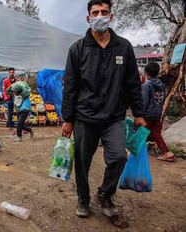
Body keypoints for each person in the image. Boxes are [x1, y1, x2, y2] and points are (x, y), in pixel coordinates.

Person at [61, 0, 146, 219]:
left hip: (113, 117)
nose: (100, 16)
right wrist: (68, 119)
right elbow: (70, 87)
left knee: (118, 157)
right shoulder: (77, 50)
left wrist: (139, 113)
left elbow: (133, 84)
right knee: (82, 162)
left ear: (111, 15)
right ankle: (83, 198)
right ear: (88, 18)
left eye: (104, 12)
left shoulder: (124, 47)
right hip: (84, 118)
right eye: (95, 12)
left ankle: (106, 195)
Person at [142, 62, 176, 162]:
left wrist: (139, 114)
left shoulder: (146, 86)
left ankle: (132, 153)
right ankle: (167, 153)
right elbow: (162, 99)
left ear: (146, 73)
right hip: (157, 113)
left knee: (140, 133)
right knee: (156, 134)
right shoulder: (161, 85)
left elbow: (144, 102)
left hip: (147, 115)